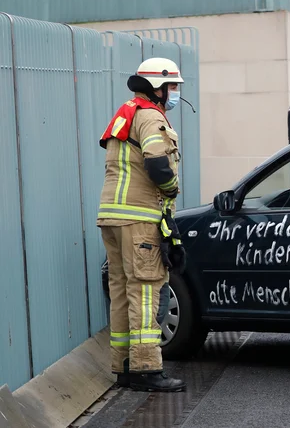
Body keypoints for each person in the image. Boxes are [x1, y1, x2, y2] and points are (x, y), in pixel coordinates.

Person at [97, 57, 187, 393]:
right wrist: (171, 189)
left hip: (112, 217)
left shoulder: (126, 112)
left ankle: (124, 368)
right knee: (146, 290)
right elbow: (158, 164)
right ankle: (147, 369)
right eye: (172, 87)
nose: (174, 93)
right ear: (157, 88)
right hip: (139, 218)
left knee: (121, 292)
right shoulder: (151, 117)